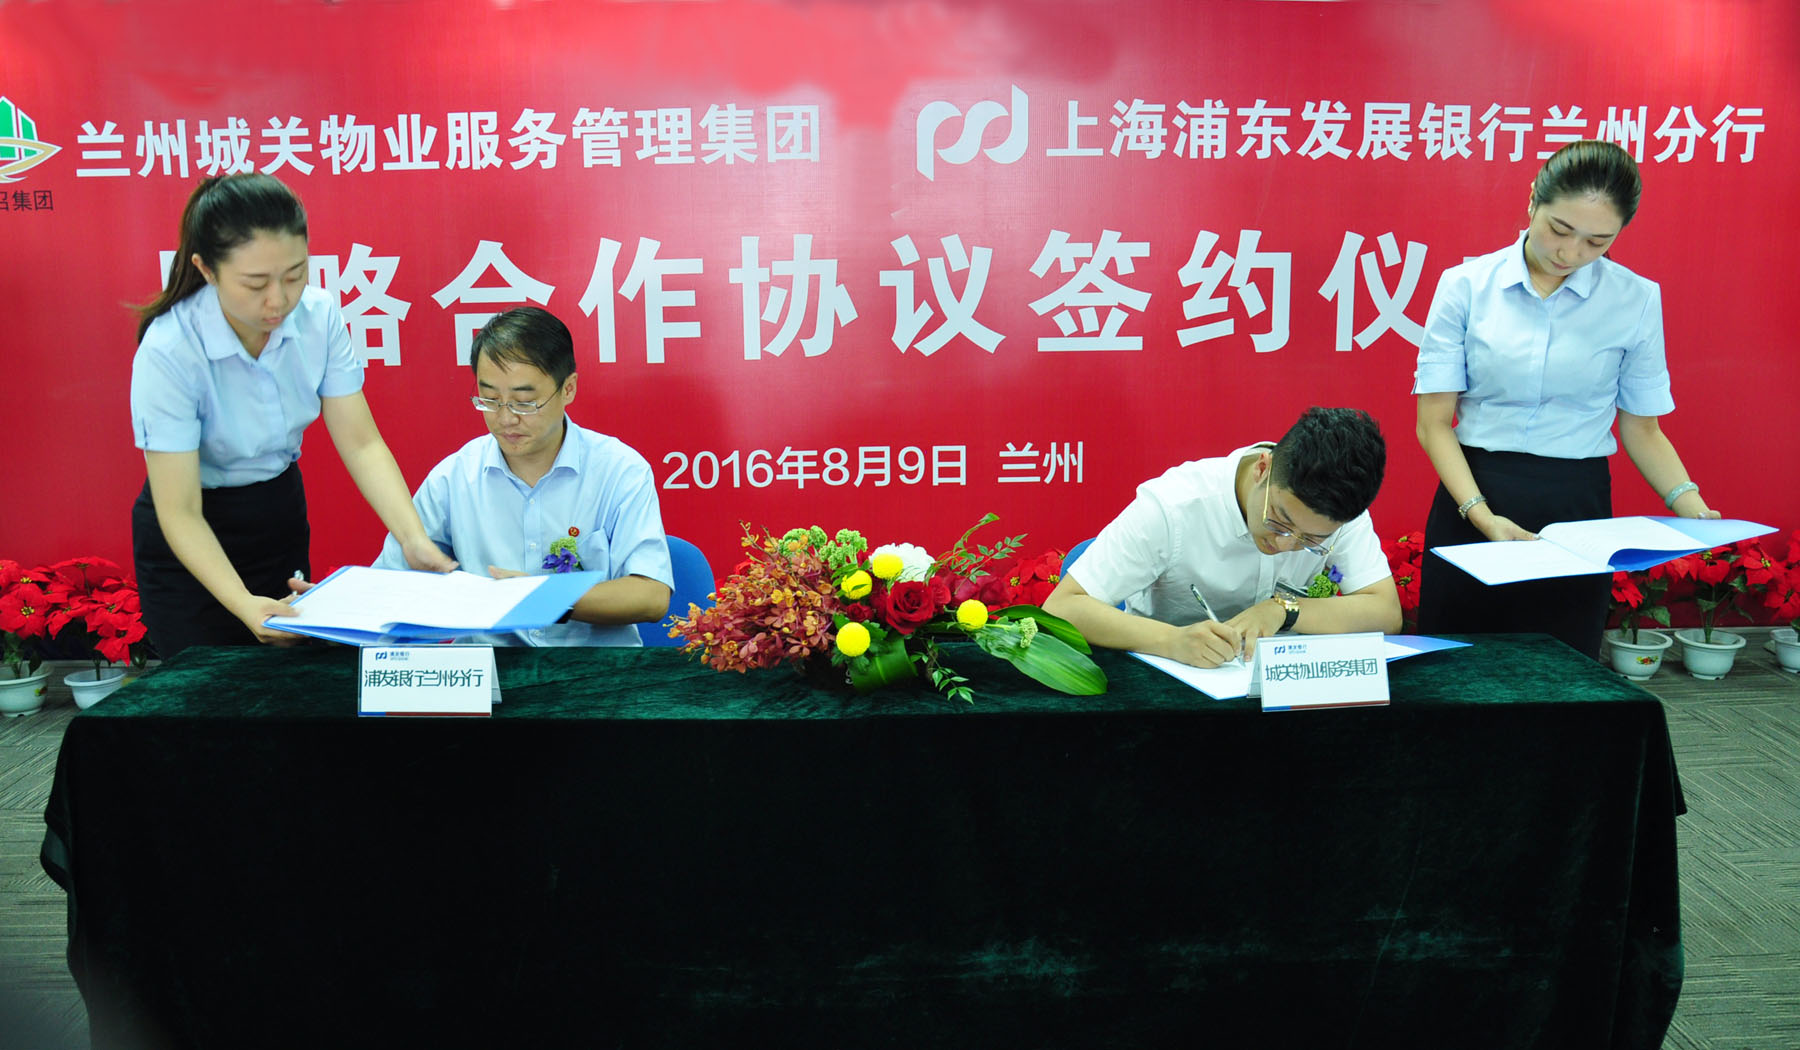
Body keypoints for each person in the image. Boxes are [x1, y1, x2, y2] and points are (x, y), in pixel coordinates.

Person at [1413, 140, 1718, 660]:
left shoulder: (1635, 299)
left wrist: (1691, 507)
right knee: (1456, 670)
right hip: (1474, 495)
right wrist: (1481, 516)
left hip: (1577, 511)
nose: (1570, 253)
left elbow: (1643, 428)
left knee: (1563, 672)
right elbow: (1434, 423)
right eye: (1559, 229)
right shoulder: (1466, 286)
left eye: (1597, 242)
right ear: (1534, 198)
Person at [130, 173, 455, 660]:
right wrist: (243, 603)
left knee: (288, 679)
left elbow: (362, 443)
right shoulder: (170, 349)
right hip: (193, 536)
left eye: (294, 274)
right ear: (206, 269)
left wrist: (413, 538)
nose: (278, 300)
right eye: (255, 283)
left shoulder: (319, 315)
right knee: (205, 686)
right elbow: (179, 510)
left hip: (277, 513)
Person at [368, 306, 673, 646]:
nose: (505, 418)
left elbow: (651, 596)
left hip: (594, 670)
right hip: (489, 670)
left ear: (568, 389)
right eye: (490, 399)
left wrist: (546, 598)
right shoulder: (454, 478)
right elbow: (389, 583)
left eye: (524, 402)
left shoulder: (620, 471)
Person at [1043, 407, 1402, 669]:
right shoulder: (1174, 505)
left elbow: (1385, 612)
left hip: (1282, 690)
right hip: (1169, 683)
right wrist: (1172, 640)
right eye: (1279, 521)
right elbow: (1062, 607)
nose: (1284, 545)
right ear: (1263, 468)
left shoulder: (1338, 510)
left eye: (1309, 540)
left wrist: (1284, 611)